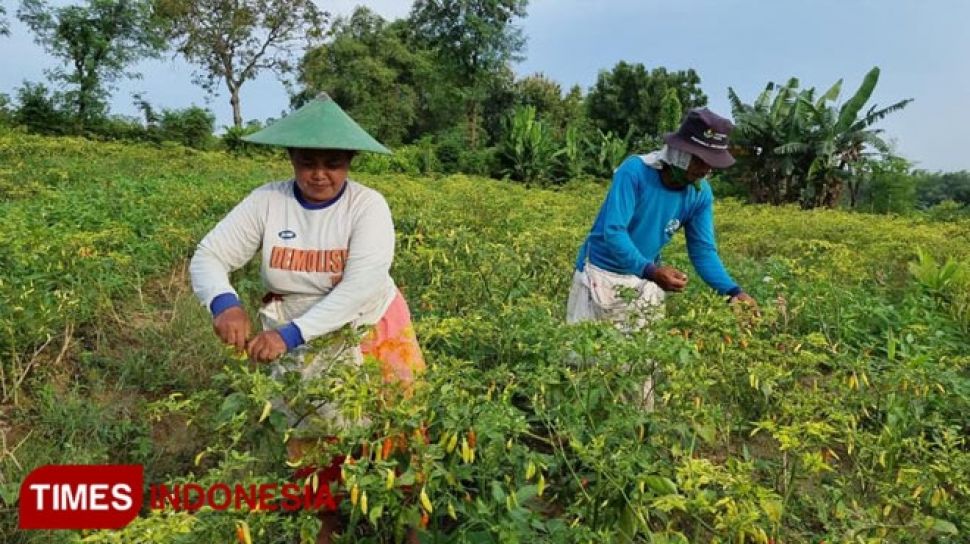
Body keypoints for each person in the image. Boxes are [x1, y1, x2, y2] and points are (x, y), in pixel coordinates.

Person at [189, 93, 425, 543]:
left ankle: (409, 532)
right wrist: (225, 303)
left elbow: (360, 285)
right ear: (291, 159)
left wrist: (289, 335)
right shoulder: (267, 202)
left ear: (350, 162)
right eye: (308, 162)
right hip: (295, 333)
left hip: (371, 327)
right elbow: (210, 255)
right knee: (313, 442)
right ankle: (323, 530)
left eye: (333, 163)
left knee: (398, 435)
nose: (320, 174)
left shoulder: (367, 206)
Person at [567, 108, 757, 408]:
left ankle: (637, 436)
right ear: (678, 152)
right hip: (600, 275)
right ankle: (575, 439)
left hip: (644, 279)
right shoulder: (635, 172)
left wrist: (733, 291)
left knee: (640, 368)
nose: (705, 170)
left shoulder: (699, 194)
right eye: (701, 160)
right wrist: (652, 271)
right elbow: (613, 232)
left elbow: (703, 251)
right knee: (586, 368)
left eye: (711, 164)